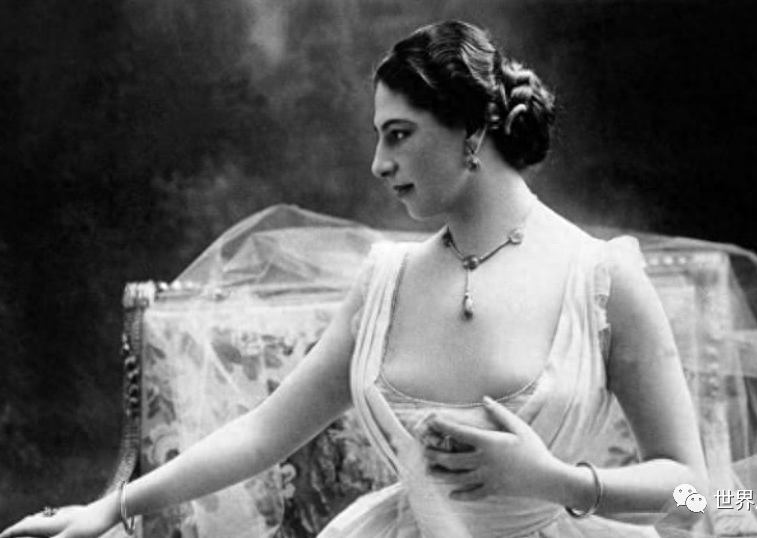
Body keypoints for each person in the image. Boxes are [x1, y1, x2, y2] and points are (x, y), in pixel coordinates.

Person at [1, 20, 709, 538]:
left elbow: (695, 491)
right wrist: (112, 507)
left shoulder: (601, 278)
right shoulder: (385, 284)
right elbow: (261, 435)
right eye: (377, 136)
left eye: (398, 134)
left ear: (470, 129)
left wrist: (555, 481)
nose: (378, 163)